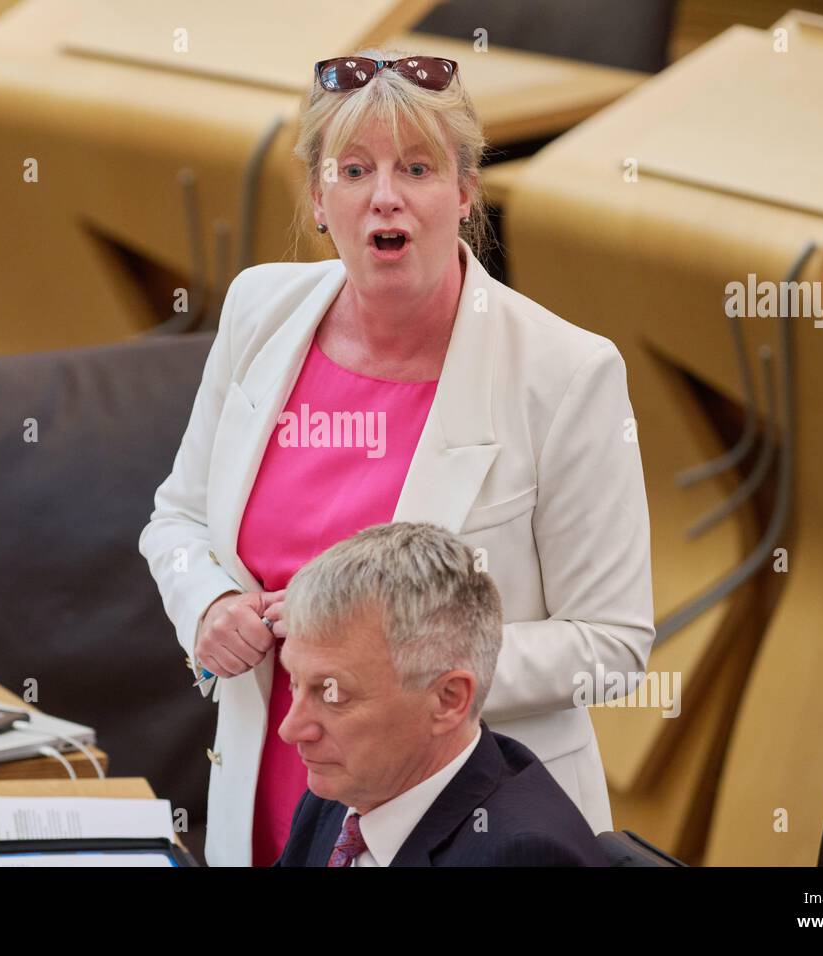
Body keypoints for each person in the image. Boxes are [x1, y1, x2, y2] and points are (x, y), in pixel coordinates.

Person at [139, 49, 654, 867]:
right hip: (272, 781)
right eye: (353, 169)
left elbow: (612, 644)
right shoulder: (258, 309)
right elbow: (182, 516)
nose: (385, 195)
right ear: (317, 196)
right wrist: (205, 607)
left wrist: (407, 675)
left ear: (464, 190)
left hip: (470, 831)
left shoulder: (566, 373)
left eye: (416, 167)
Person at [274, 522, 607, 867]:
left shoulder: (522, 856)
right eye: (294, 683)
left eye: (333, 695)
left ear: (448, 699)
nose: (291, 729)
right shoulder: (348, 788)